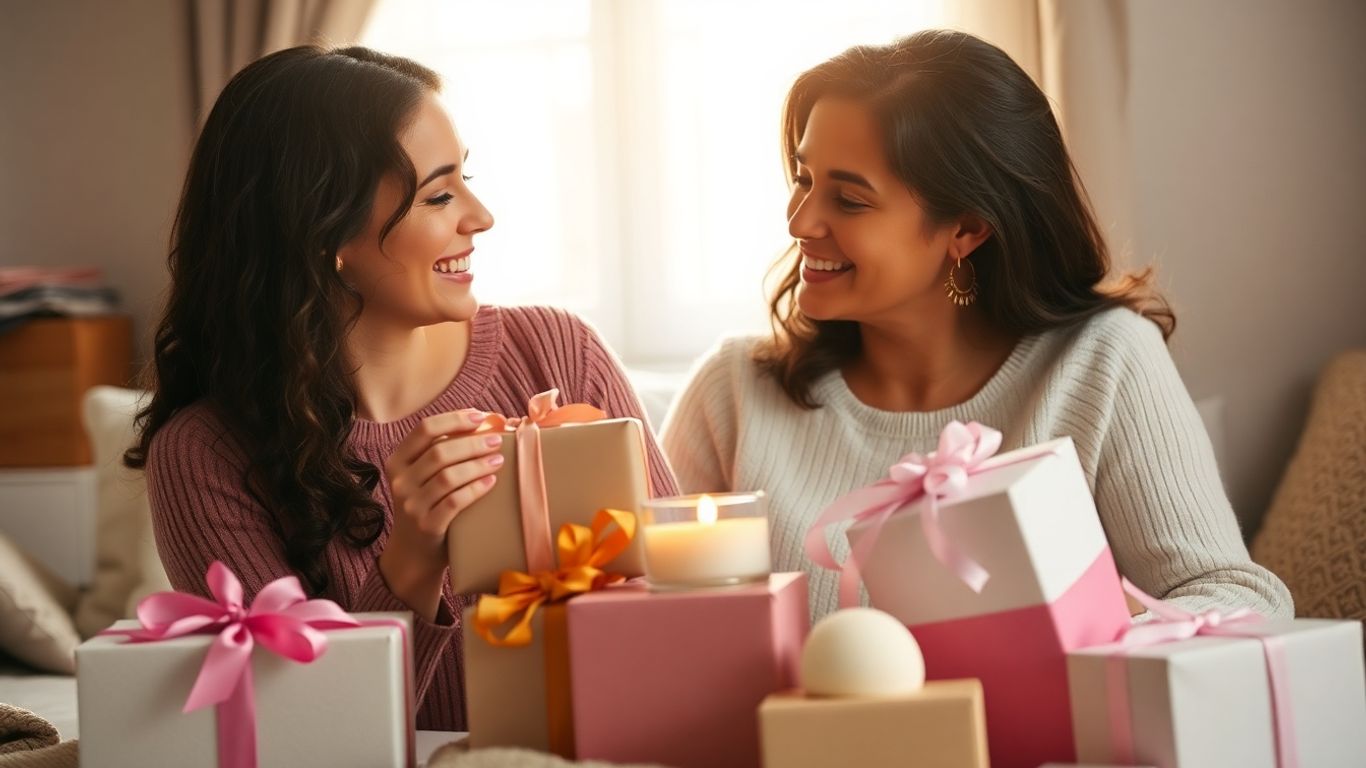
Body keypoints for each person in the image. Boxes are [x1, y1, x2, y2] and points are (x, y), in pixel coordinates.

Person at [125, 45, 677, 730]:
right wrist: (411, 559)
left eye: (465, 180)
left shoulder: (556, 351)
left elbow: (683, 607)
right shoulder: (205, 456)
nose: (480, 216)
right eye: (440, 194)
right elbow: (309, 733)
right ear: (324, 231)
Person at [661, 30, 1291, 622]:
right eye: (803, 179)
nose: (800, 221)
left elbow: (1237, 597)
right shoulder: (732, 392)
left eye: (848, 199)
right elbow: (630, 612)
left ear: (965, 229)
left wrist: (1081, 634)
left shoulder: (1102, 362)